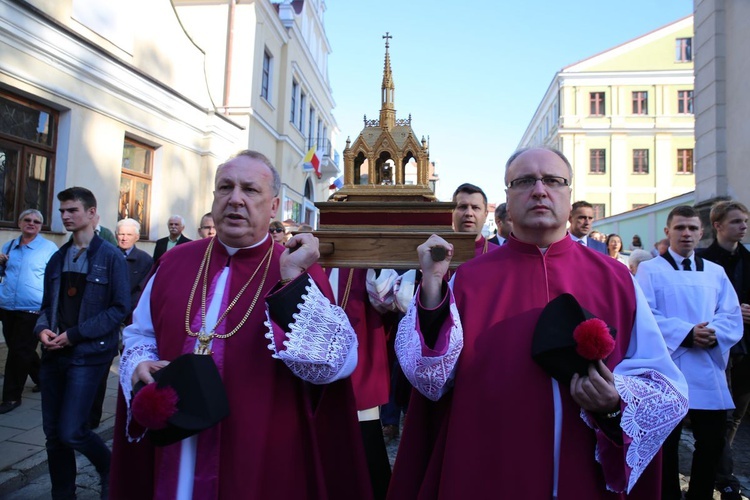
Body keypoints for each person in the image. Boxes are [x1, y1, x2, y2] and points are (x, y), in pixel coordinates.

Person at [389, 147, 688, 499]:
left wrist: (615, 400)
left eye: (552, 181)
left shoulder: (617, 278)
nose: (540, 190)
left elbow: (665, 384)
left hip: (586, 471)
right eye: (525, 181)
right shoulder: (469, 279)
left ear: (569, 194)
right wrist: (432, 288)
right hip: (491, 464)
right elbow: (430, 379)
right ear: (507, 198)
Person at [109, 150, 371, 499]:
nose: (235, 199)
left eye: (250, 190)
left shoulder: (295, 265)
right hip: (177, 433)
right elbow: (141, 332)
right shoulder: (174, 261)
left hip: (259, 441)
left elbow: (336, 364)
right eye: (225, 188)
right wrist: (140, 360)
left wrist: (292, 281)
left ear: (274, 205)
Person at [635, 205, 742, 500]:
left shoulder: (716, 272)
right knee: (666, 444)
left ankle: (700, 495)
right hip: (668, 367)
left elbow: (730, 314)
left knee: (711, 442)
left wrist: (712, 333)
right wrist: (686, 333)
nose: (686, 233)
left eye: (692, 228)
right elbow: (643, 313)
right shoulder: (649, 270)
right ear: (667, 231)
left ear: (701, 232)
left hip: (708, 367)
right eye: (680, 227)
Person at [35, 187, 130, 499]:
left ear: (91, 213)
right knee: (53, 436)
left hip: (88, 355)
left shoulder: (111, 256)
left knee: (73, 430)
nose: (65, 216)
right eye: (62, 211)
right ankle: (63, 493)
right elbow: (46, 306)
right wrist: (42, 331)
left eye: (72, 210)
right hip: (53, 355)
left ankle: (110, 468)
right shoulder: (58, 256)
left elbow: (119, 308)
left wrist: (74, 335)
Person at [696, 200, 750, 500]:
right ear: (718, 225)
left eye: (744, 221)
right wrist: (727, 316)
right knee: (723, 414)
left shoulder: (748, 259)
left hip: (747, 346)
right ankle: (725, 478)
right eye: (736, 221)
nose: (743, 226)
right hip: (718, 346)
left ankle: (721, 468)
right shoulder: (703, 261)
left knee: (737, 414)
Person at [88, 217, 154, 430]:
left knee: (128, 366)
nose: (124, 237)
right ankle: (92, 417)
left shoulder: (144, 260)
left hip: (129, 322)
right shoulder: (105, 254)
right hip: (106, 321)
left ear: (136, 236)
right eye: (120, 234)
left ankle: (130, 410)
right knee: (100, 368)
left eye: (128, 234)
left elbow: (143, 294)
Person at [0, 210, 58, 414]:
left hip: (32, 308)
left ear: (41, 226)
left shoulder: (48, 248)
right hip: (7, 306)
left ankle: (11, 397)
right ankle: (42, 378)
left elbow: (55, 279)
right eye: (27, 220)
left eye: (36, 221)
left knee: (18, 352)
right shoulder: (9, 246)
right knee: (18, 347)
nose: (31, 224)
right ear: (20, 222)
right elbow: (3, 273)